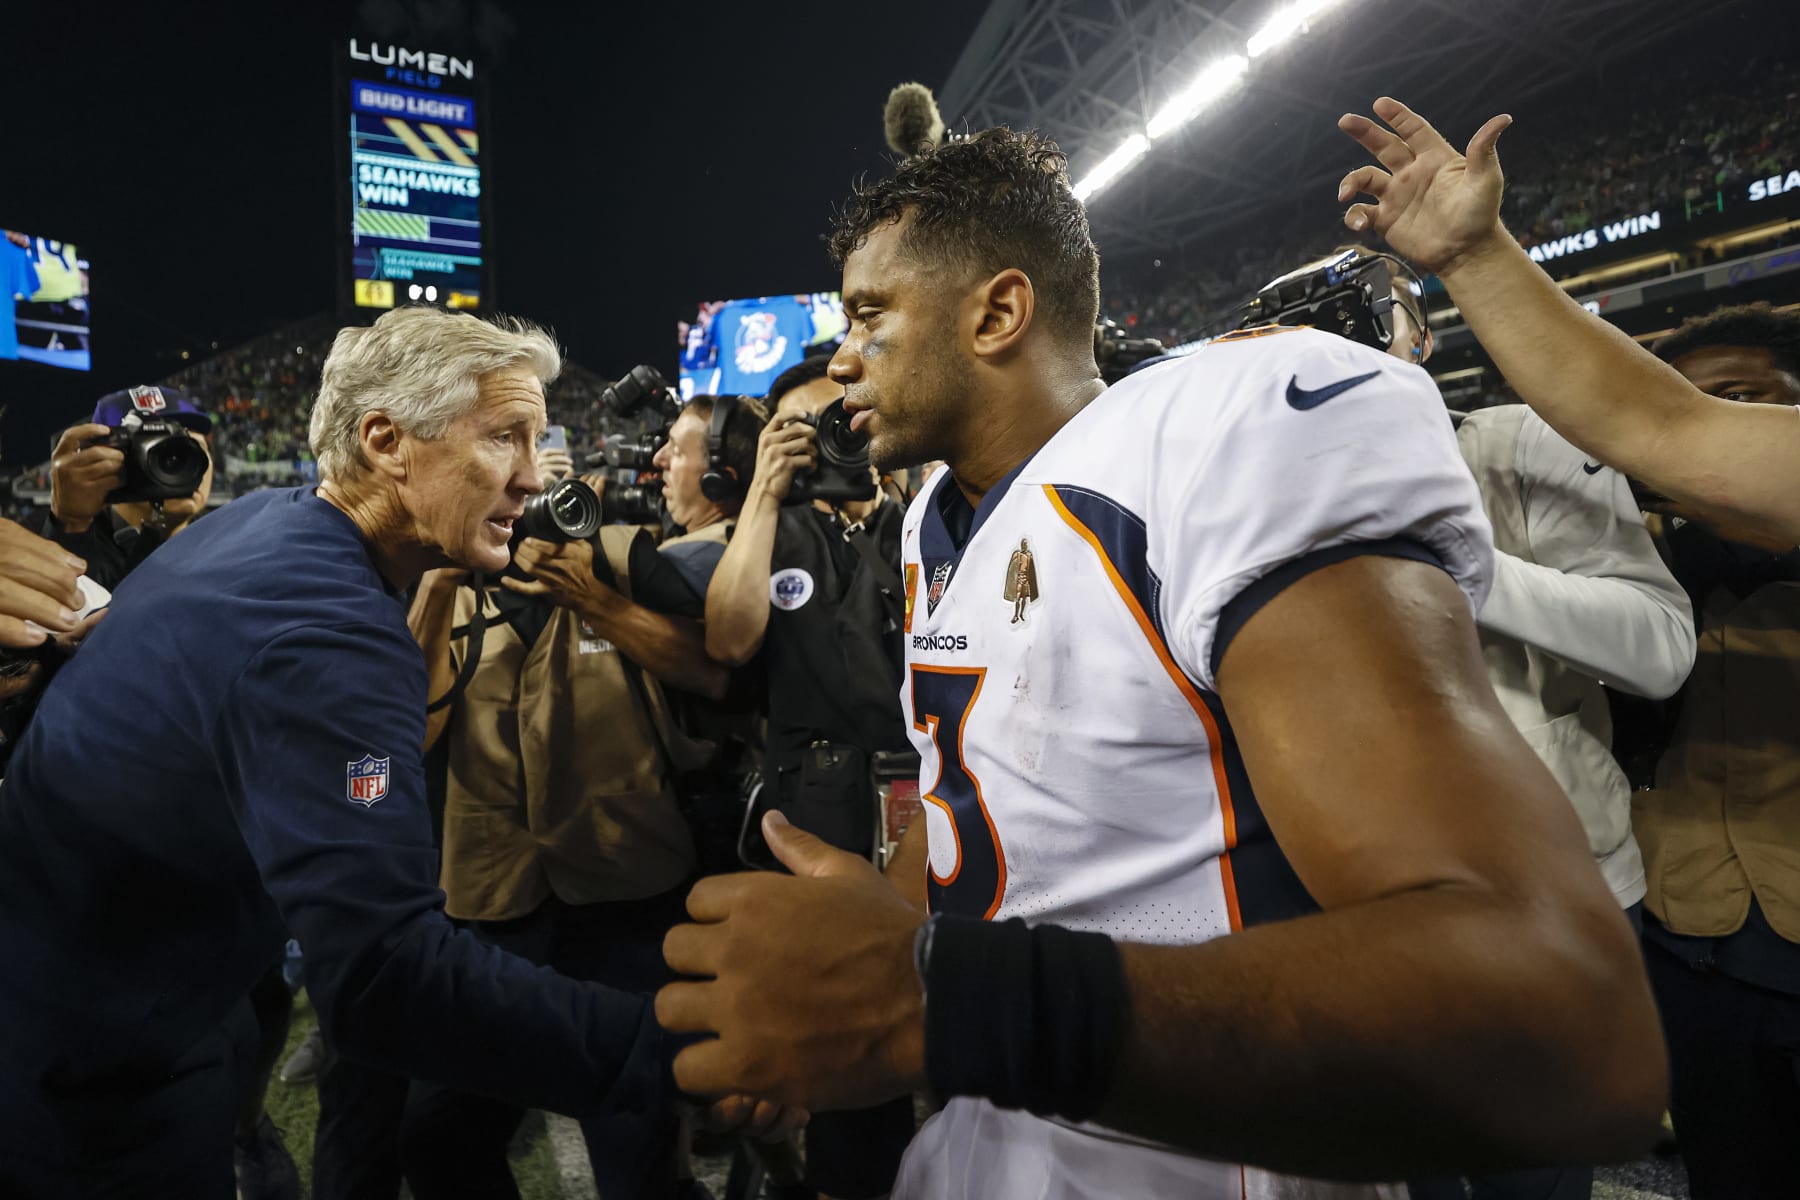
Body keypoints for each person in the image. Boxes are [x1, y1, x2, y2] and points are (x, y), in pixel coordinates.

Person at [653, 127, 1667, 1197]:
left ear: (997, 313)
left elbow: (1557, 1023)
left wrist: (938, 1000)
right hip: (1004, 1141)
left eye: (868, 315)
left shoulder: (1207, 437)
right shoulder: (933, 524)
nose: (842, 356)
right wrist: (858, 945)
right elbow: (992, 800)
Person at [0, 305, 791, 1197]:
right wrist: (676, 1052)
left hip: (97, 1008)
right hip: (93, 1071)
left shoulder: (266, 525)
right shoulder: (328, 624)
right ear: (385, 440)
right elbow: (382, 980)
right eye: (504, 438)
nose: (536, 478)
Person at [1375, 271, 1696, 1200]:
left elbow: (1663, 648)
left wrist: (1480, 571)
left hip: (1558, 895)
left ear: (1419, 342)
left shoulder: (1520, 444)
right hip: (1366, 903)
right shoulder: (1252, 496)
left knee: (1537, 1182)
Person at [397, 444, 729, 1200]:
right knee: (439, 1136)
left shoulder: (613, 552)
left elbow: (710, 671)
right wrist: (440, 583)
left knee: (636, 1136)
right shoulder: (435, 578)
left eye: (529, 487)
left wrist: (599, 604)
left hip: (626, 888)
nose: (516, 507)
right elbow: (407, 733)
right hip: (493, 904)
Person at [1334, 96, 1800, 550]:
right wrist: (1470, 255)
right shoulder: (1692, 568)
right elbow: (1662, 426)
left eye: (1737, 399)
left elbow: (1665, 427)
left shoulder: (1508, 445)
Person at [703, 353, 917, 1199]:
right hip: (818, 815)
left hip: (925, 808)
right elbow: (727, 639)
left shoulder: (917, 512)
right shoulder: (770, 530)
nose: (832, 435)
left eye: (845, 413)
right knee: (843, 1057)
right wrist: (763, 491)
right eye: (802, 426)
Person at [1619, 304, 1800, 1200]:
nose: (1706, 439)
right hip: (1690, 946)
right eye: (1683, 414)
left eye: (1738, 403)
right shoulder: (1644, 573)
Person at [39, 385, 217, 590]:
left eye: (192, 448)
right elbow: (67, 612)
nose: (179, 464)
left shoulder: (228, 542)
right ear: (103, 459)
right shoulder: (55, 534)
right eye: (164, 451)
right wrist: (69, 525)